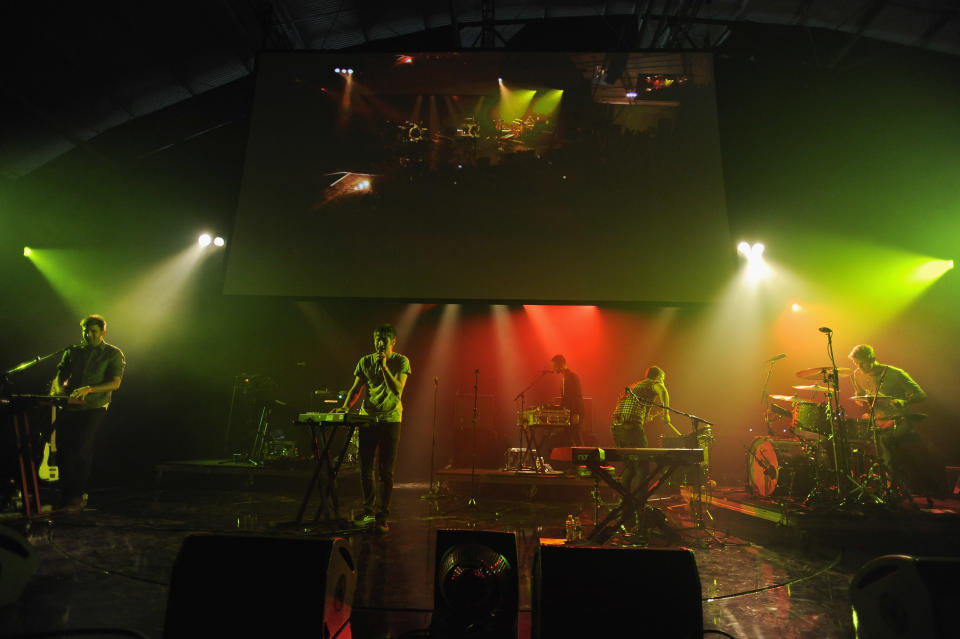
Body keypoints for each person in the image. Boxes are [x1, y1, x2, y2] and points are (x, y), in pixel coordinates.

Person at [336, 324, 411, 533]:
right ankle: (368, 511)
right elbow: (355, 389)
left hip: (391, 420)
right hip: (367, 419)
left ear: (393, 341)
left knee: (386, 472)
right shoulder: (365, 361)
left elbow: (397, 391)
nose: (379, 342)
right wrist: (344, 407)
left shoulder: (401, 361)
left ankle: (382, 517)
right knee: (365, 469)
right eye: (377, 338)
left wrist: (384, 367)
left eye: (384, 339)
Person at [50, 314, 125, 510]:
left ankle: (77, 494)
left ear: (103, 332)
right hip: (70, 405)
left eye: (93, 331)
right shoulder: (73, 352)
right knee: (64, 449)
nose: (88, 335)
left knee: (82, 447)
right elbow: (60, 375)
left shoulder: (112, 353)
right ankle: (65, 493)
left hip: (94, 406)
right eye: (85, 331)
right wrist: (59, 392)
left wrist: (89, 389)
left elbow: (115, 383)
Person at [848, 344, 934, 499]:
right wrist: (861, 401)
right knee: (850, 439)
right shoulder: (857, 375)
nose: (860, 367)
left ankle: (891, 487)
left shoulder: (895, 373)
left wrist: (903, 401)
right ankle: (870, 485)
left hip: (899, 420)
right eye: (856, 363)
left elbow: (921, 394)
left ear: (872, 358)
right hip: (877, 421)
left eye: (863, 363)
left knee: (884, 440)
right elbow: (859, 395)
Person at [610, 366, 674, 508]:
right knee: (642, 468)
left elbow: (632, 412)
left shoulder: (635, 386)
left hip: (617, 428)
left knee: (630, 467)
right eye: (662, 380)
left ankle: (624, 505)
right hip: (631, 428)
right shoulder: (652, 383)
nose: (662, 383)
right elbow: (663, 390)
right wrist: (666, 413)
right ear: (657, 377)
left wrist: (650, 416)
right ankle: (640, 507)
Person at [550, 354, 584, 446]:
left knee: (577, 440)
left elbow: (577, 396)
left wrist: (576, 413)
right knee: (570, 440)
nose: (553, 368)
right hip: (568, 414)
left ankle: (584, 459)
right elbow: (566, 398)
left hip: (575, 413)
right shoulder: (564, 379)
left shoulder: (573, 377)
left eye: (554, 366)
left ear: (560, 364)